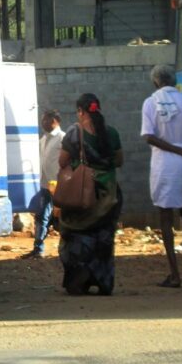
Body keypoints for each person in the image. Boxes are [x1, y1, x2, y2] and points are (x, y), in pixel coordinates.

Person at [141, 64, 182, 288]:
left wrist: (177, 151)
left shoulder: (150, 103)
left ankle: (174, 274)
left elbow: (149, 137)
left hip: (163, 163)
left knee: (165, 217)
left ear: (156, 82)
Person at [57, 93, 124, 295]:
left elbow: (62, 161)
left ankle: (79, 281)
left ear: (80, 111)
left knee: (76, 237)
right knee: (104, 239)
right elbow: (119, 161)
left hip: (83, 195)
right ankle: (103, 282)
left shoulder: (74, 133)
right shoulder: (111, 133)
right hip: (109, 196)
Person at [23, 110, 64, 259]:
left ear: (57, 120)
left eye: (48, 120)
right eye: (43, 120)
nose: (44, 123)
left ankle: (66, 249)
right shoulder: (43, 140)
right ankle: (38, 249)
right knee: (41, 216)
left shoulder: (62, 138)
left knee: (64, 217)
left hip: (59, 185)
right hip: (45, 185)